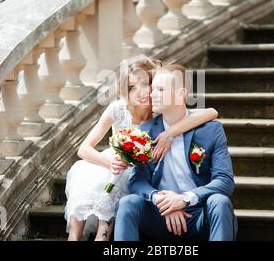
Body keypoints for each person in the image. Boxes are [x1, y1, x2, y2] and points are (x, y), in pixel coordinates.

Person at [64, 57, 219, 241]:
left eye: (145, 84)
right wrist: (109, 162)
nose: (140, 92)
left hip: (139, 169)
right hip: (113, 163)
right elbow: (84, 149)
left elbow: (211, 112)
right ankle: (74, 237)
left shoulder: (160, 108)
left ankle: (102, 237)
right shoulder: (119, 109)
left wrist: (171, 133)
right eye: (131, 88)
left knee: (121, 181)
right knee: (87, 174)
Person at [114, 64, 237, 241]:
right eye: (153, 88)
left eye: (161, 89)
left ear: (181, 94)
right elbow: (137, 181)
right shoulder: (145, 133)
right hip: (159, 216)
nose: (151, 94)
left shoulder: (211, 130)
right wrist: (161, 201)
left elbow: (225, 181)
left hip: (198, 216)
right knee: (128, 203)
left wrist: (185, 199)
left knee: (220, 202)